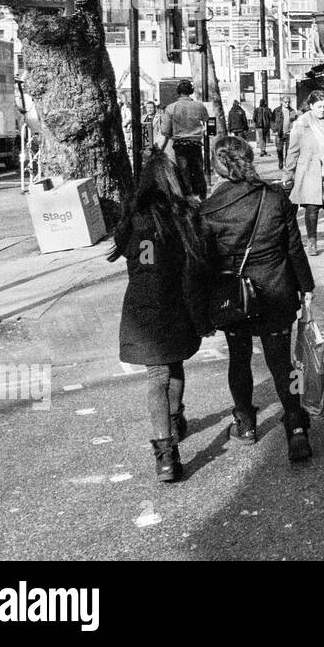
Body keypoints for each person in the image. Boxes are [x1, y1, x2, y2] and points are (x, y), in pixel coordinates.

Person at [201, 136, 315, 463]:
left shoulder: (209, 211)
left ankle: (246, 424)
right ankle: (295, 426)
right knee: (281, 363)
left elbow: (204, 264)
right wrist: (306, 285)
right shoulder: (275, 198)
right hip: (277, 290)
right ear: (249, 158)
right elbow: (293, 248)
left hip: (234, 299)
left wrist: (201, 309)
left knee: (238, 359)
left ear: (218, 167)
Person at [108, 153, 210, 483]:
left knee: (157, 376)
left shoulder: (134, 215)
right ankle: (175, 419)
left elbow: (124, 248)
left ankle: (166, 455)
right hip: (177, 300)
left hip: (143, 305)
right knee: (175, 362)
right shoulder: (185, 213)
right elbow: (198, 259)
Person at [283, 90, 324, 258]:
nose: (322, 110)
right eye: (319, 106)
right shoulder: (301, 124)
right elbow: (293, 151)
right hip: (309, 171)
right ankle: (312, 242)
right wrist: (288, 173)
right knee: (312, 209)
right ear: (311, 106)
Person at [157, 79, 209, 199]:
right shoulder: (199, 106)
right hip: (195, 144)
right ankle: (202, 196)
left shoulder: (171, 108)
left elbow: (165, 131)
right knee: (198, 171)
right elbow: (208, 122)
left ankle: (188, 197)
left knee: (183, 172)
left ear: (178, 92)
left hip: (180, 145)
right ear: (191, 91)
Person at [271, 95, 297, 170]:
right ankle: (280, 161)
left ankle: (287, 163)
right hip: (279, 133)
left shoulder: (292, 111)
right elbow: (272, 121)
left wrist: (293, 130)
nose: (287, 104)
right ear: (282, 102)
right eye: (285, 102)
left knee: (288, 151)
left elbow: (295, 121)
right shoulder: (276, 110)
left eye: (289, 102)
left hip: (289, 133)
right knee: (279, 149)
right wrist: (274, 130)